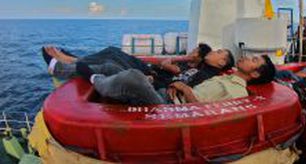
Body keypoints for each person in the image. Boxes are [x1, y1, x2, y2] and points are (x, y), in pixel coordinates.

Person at [42, 46, 235, 105]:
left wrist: (177, 85)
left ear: (221, 63)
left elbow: (201, 98)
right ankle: (63, 66)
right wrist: (155, 77)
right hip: (154, 79)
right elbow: (174, 76)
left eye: (219, 52)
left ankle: (83, 70)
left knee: (124, 70)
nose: (215, 50)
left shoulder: (213, 76)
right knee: (111, 57)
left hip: (161, 94)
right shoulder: (200, 66)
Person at [167, 55, 276, 103]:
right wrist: (178, 87)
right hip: (171, 96)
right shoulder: (226, 77)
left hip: (172, 107)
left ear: (255, 74)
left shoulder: (237, 92)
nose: (247, 57)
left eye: (254, 60)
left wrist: (184, 88)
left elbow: (203, 113)